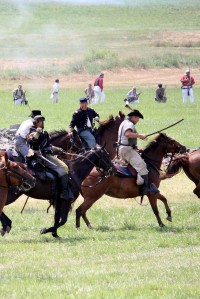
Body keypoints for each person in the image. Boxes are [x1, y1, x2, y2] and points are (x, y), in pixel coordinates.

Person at [27, 115, 73, 202]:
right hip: (41, 157)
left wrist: (57, 149)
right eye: (42, 122)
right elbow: (32, 140)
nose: (43, 123)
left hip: (47, 154)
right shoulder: (32, 131)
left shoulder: (43, 133)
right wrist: (37, 133)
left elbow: (46, 145)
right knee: (64, 168)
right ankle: (64, 192)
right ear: (37, 123)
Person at [117, 109, 159, 196]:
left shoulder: (125, 122)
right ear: (134, 117)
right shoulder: (129, 124)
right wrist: (140, 135)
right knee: (142, 166)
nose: (138, 121)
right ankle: (145, 189)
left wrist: (136, 147)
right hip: (126, 150)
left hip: (123, 149)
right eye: (138, 118)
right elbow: (127, 134)